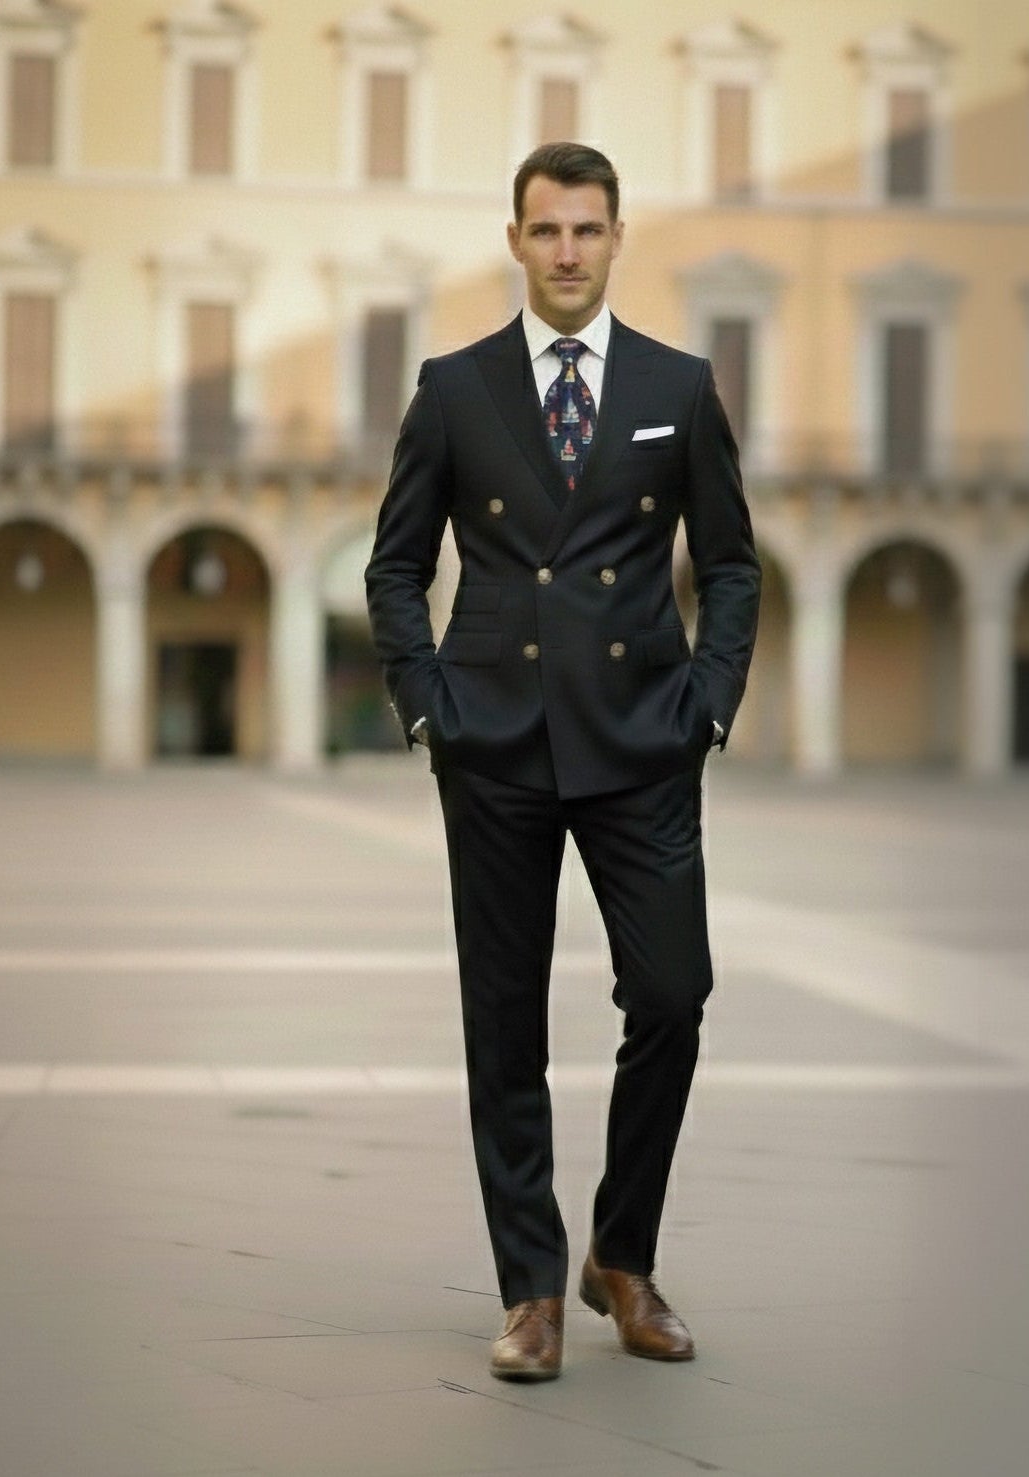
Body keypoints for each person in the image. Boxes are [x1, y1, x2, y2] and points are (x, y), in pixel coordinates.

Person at [364, 141, 761, 1382]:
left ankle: (621, 1256)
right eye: (546, 231)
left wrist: (705, 704)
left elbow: (732, 564)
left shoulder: (677, 385)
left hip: (642, 739)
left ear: (615, 237)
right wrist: (429, 705)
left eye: (587, 230)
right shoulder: (454, 387)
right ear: (515, 242)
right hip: (494, 742)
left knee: (673, 993)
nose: (568, 252)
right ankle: (530, 1288)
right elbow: (394, 565)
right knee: (502, 1018)